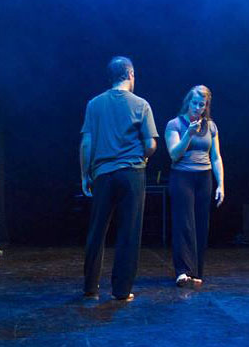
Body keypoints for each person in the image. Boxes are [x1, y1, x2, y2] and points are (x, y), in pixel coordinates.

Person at [79, 56, 158, 301]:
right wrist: (144, 157)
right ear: (131, 74)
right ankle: (122, 290)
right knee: (128, 232)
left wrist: (85, 174)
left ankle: (91, 287)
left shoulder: (94, 104)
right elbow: (151, 143)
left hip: (103, 174)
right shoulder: (141, 104)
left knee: (97, 231)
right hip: (131, 173)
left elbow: (87, 142)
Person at [164, 85, 224, 287]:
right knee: (184, 224)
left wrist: (220, 184)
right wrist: (189, 134)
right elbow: (174, 154)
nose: (198, 108)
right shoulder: (175, 124)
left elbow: (215, 157)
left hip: (204, 177)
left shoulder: (211, 126)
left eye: (202, 104)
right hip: (182, 177)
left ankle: (196, 271)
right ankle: (182, 271)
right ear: (188, 102)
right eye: (195, 103)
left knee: (200, 224)